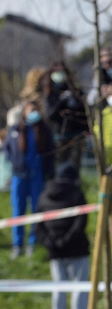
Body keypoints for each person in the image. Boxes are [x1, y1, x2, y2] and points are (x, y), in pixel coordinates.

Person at [34, 162, 90, 309]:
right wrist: (66, 240)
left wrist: (49, 242)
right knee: (80, 286)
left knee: (58, 286)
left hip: (55, 250)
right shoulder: (77, 193)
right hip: (77, 248)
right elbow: (81, 221)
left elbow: (38, 225)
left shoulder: (44, 195)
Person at [4, 97, 55, 258]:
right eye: (30, 110)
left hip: (37, 175)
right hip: (19, 176)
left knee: (36, 209)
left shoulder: (44, 130)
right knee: (18, 210)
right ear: (24, 112)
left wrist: (49, 172)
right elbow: (7, 149)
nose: (33, 113)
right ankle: (17, 244)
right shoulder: (16, 130)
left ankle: (33, 242)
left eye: (36, 110)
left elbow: (51, 152)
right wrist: (15, 163)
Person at [43, 62, 89, 169]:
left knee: (75, 165)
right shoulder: (50, 93)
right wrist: (61, 101)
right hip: (60, 135)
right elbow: (50, 115)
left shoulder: (75, 91)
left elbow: (84, 112)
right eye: (56, 72)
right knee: (61, 165)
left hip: (77, 133)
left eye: (62, 71)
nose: (59, 74)